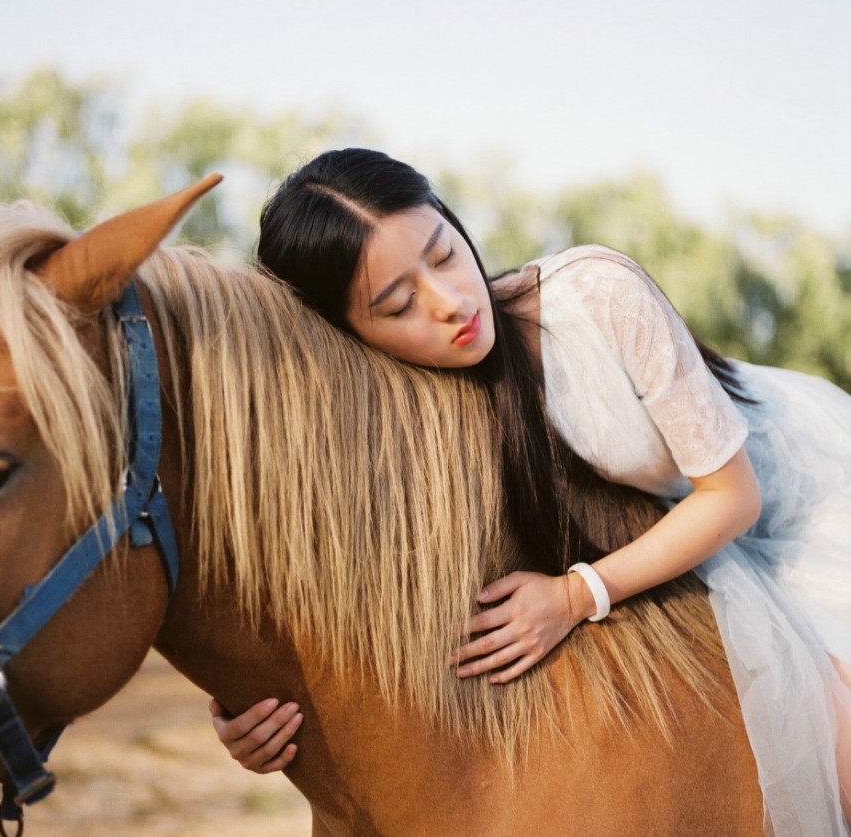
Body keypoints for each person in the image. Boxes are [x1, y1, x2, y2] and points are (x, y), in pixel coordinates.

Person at [209, 148, 850, 833]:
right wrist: (243, 703)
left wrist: (575, 594)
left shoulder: (599, 298)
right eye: (398, 303)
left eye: (444, 253)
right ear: (347, 337)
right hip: (667, 526)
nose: (451, 301)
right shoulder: (391, 409)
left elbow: (731, 497)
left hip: (786, 497)